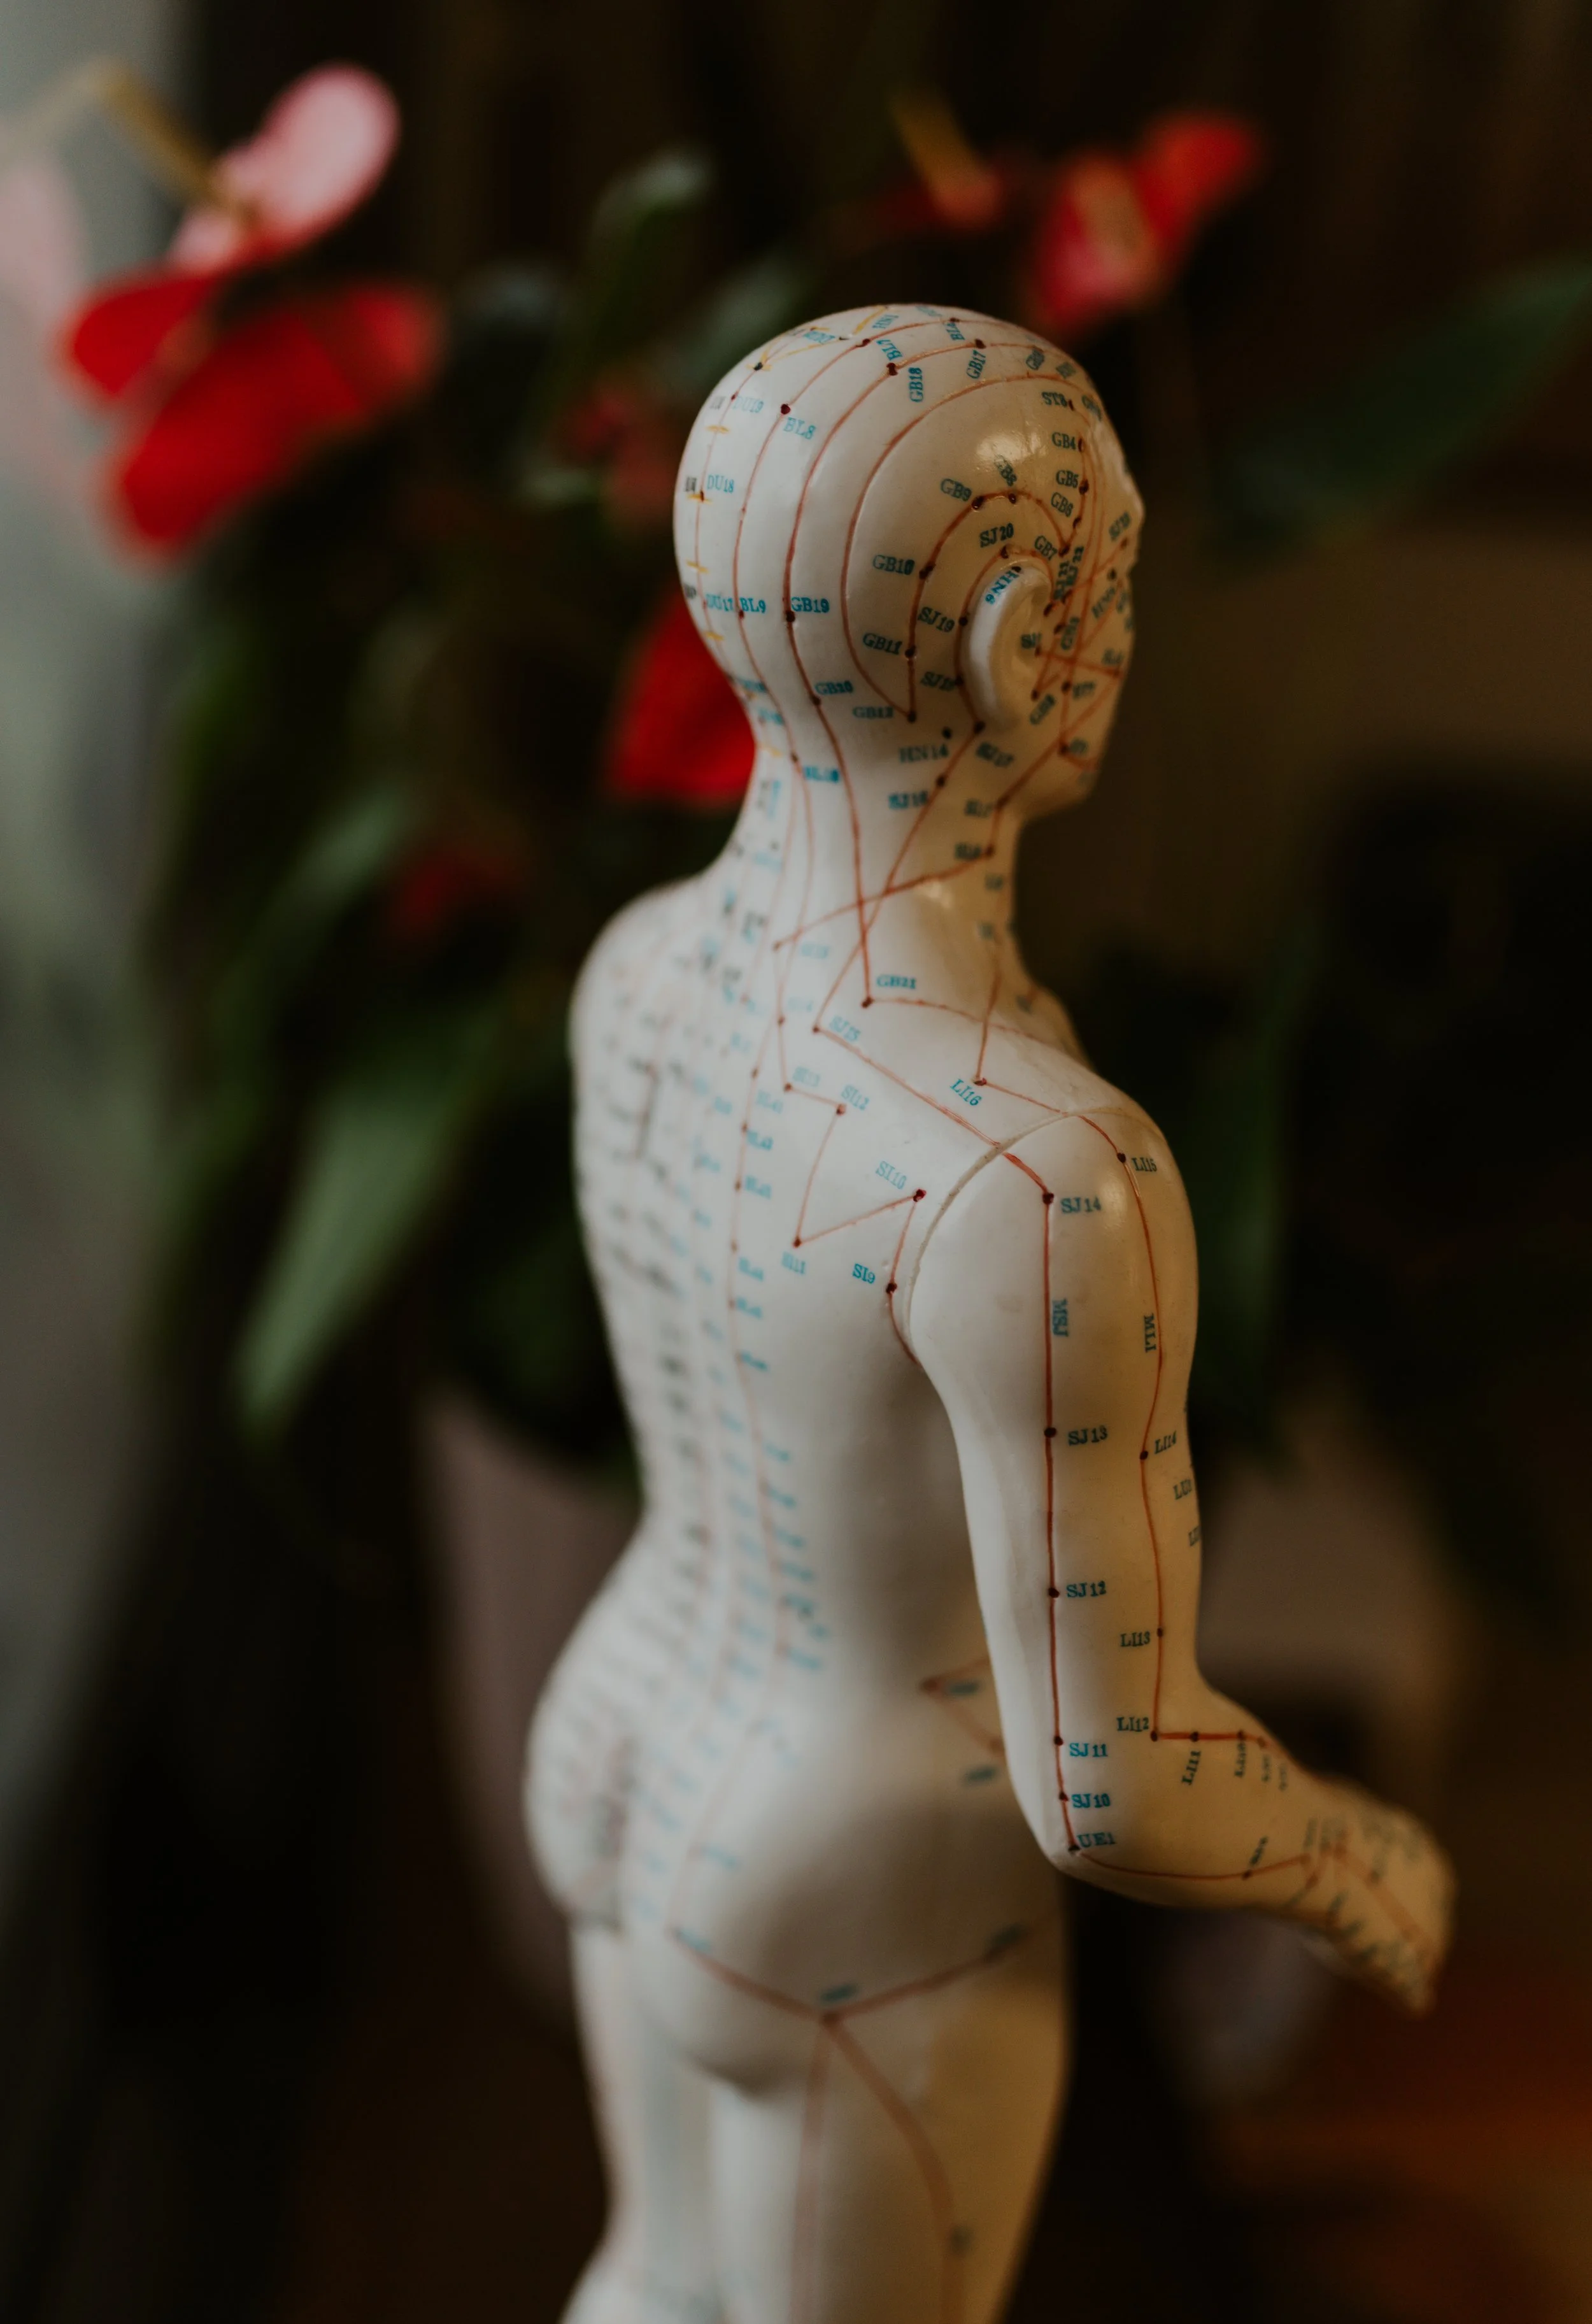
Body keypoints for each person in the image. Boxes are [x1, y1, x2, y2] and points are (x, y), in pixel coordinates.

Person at [528, 305, 1453, 2324]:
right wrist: (1353, 1859)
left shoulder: (633, 979)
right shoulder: (1040, 1179)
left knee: (646, 2286)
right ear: (1019, 633)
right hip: (867, 1887)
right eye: (1105, 587)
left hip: (626, 1737)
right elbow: (1107, 1773)